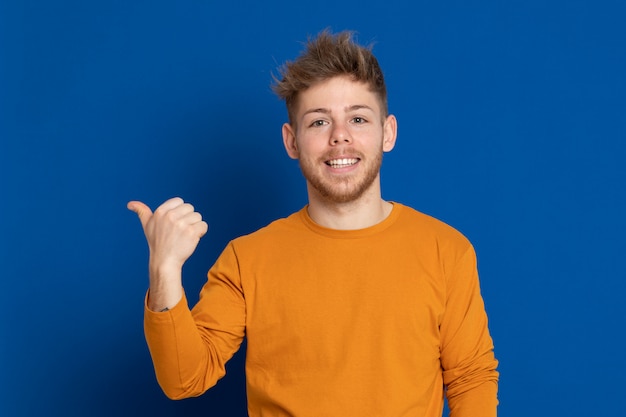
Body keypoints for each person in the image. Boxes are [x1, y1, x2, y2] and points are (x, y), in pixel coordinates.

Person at [128, 30, 499, 417]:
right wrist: (164, 270)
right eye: (319, 123)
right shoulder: (246, 259)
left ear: (387, 132)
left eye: (358, 118)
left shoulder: (446, 250)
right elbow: (184, 378)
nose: (340, 137)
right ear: (292, 141)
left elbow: (472, 378)